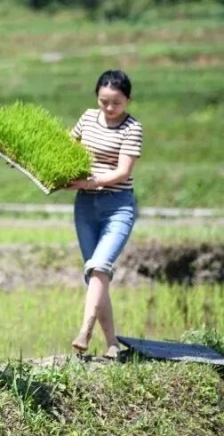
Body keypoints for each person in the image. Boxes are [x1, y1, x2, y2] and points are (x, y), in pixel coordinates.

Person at [66, 69, 142, 359]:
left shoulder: (132, 128)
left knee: (99, 266)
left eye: (117, 103)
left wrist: (88, 181)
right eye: (104, 102)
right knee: (94, 274)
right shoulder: (87, 118)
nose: (110, 109)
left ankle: (85, 330)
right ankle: (112, 344)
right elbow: (65, 148)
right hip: (86, 205)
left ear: (128, 100)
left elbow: (123, 171)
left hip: (118, 206)